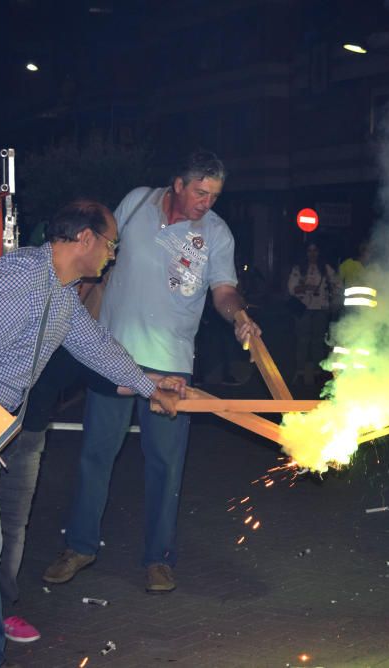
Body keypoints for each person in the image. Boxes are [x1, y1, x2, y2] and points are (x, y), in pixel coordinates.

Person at [0, 200, 182, 668]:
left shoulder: (59, 290)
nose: (112, 255)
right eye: (111, 244)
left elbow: (94, 346)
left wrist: (148, 384)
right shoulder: (24, 274)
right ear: (86, 239)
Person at [43, 150, 260, 594]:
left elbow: (223, 291)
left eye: (214, 196)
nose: (206, 203)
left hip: (171, 364)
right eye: (200, 192)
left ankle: (159, 558)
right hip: (110, 353)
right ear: (178, 184)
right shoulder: (138, 201)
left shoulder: (216, 233)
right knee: (95, 456)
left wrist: (238, 314)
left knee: (165, 463)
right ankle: (80, 546)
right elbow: (100, 263)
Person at [287, 242, 339, 385]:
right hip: (304, 309)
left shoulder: (326, 269)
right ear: (305, 253)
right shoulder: (299, 269)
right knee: (302, 341)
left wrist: (333, 300)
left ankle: (317, 372)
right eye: (309, 251)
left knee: (317, 342)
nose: (312, 253)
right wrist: (305, 287)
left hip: (321, 309)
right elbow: (291, 289)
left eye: (315, 250)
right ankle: (300, 371)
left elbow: (337, 284)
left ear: (319, 252)